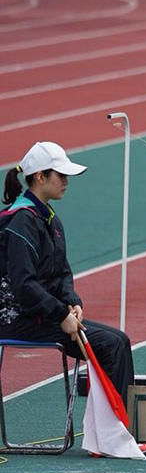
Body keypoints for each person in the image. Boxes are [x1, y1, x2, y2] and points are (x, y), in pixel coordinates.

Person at [0, 141, 135, 408]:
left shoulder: (50, 219)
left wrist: (73, 303)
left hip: (41, 315)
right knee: (111, 345)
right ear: (40, 177)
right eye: (61, 175)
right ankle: (114, 434)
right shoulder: (21, 221)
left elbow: (61, 274)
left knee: (119, 340)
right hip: (17, 319)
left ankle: (119, 430)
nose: (66, 181)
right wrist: (61, 315)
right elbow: (25, 285)